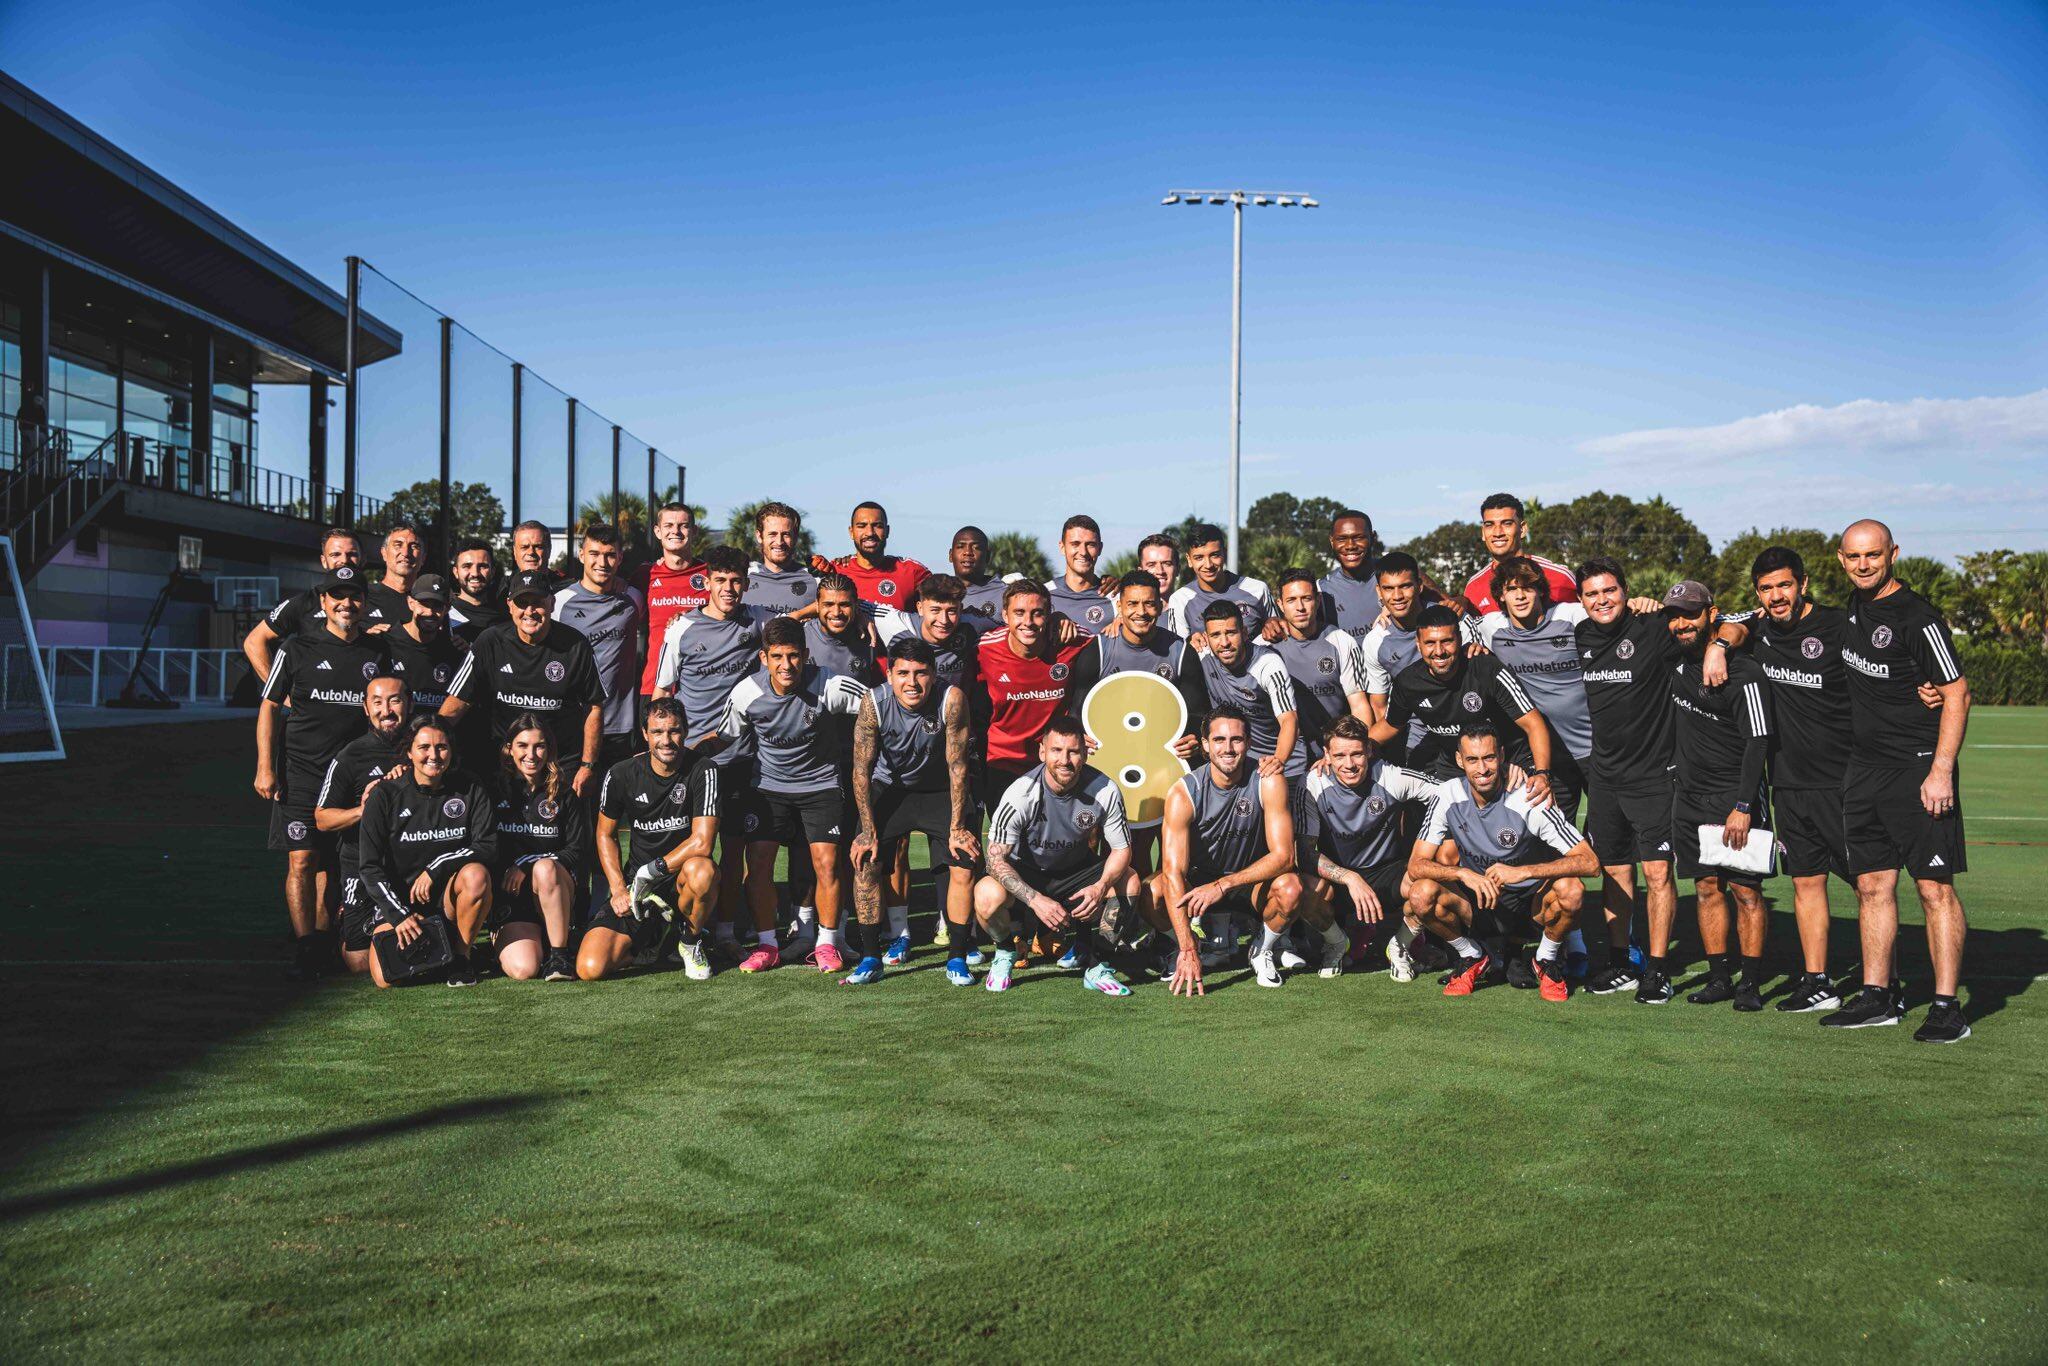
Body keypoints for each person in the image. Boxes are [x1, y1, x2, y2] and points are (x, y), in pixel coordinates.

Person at [1825, 519, 1973, 1042]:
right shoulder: (1849, 609)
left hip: (1917, 769)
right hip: (1864, 771)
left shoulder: (1917, 616)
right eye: (1853, 556)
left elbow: (1956, 692)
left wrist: (1939, 772)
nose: (1863, 564)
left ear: (1893, 554)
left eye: (1873, 555)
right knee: (1871, 886)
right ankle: (1876, 997)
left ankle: (1946, 1006)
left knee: (1934, 889)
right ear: (1841, 560)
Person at [1573, 557, 1746, 1000]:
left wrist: (1719, 646)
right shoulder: (1582, 635)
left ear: (1626, 591)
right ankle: (1619, 963)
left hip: (1654, 778)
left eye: (1609, 591)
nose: (1601, 600)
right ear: (1581, 600)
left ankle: (1658, 969)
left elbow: (1737, 622)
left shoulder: (1653, 626)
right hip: (1605, 779)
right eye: (1592, 594)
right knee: (1615, 874)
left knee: (1657, 875)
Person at [704, 618, 869, 972]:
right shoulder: (747, 691)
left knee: (826, 864)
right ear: (763, 657)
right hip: (768, 788)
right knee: (759, 864)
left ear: (805, 655)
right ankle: (767, 945)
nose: (786, 665)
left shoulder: (830, 685)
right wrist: (683, 756)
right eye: (777, 656)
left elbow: (877, 707)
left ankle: (826, 944)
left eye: (793, 656)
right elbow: (725, 737)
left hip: (821, 785)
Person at [1748, 545, 1868, 1014]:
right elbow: (1720, 624)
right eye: (1766, 588)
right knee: (1806, 882)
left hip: (1842, 782)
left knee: (1867, 886)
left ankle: (1886, 982)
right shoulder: (1756, 628)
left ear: (1802, 584)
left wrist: (1924, 690)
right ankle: (1818, 980)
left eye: (1784, 585)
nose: (1776, 596)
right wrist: (1720, 644)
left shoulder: (1839, 627)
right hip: (1788, 784)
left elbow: (1887, 669)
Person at [255, 563, 389, 980]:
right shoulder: (296, 648)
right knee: (302, 860)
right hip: (302, 772)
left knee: (335, 862)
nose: (347, 603)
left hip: (352, 777)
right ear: (324, 602)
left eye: (354, 596)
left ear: (364, 603)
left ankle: (327, 934)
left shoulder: (377, 652)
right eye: (338, 596)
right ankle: (306, 944)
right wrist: (265, 767)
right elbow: (269, 707)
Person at [1404, 726, 1598, 1002]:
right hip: (1480, 904)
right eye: (1472, 760)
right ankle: (1471, 955)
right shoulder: (1447, 794)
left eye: (1489, 758)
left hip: (1530, 910)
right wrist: (1463, 873)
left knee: (1571, 890)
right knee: (1421, 893)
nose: (1482, 769)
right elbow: (1416, 865)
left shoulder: (1528, 797)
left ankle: (1545, 959)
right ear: (1460, 761)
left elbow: (1590, 863)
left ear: (1502, 756)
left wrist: (1524, 872)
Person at [1154, 706, 1335, 992]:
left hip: (1248, 882)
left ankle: (1261, 948)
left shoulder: (1267, 780)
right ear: (1204, 745)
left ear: (1248, 743)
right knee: (1154, 891)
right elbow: (1173, 873)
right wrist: (1187, 948)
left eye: (1236, 740)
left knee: (1291, 888)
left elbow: (1284, 856)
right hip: (1199, 886)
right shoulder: (1183, 792)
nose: (1228, 748)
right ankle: (1189, 946)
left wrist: (1223, 885)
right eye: (1219, 740)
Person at [652, 544, 775, 956]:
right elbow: (662, 690)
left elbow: (793, 626)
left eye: (737, 581)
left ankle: (723, 932)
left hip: (742, 757)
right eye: (721, 580)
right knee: (689, 849)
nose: (729, 588)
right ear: (706, 582)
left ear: (746, 583)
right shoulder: (681, 628)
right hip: (693, 759)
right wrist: (656, 750)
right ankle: (675, 929)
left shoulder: (757, 621)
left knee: (736, 847)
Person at [1662, 580, 1775, 1010]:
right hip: (1690, 798)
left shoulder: (1744, 672)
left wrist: (1744, 806)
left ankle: (1750, 982)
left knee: (1746, 892)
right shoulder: (1676, 659)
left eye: (1690, 614)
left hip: (1735, 798)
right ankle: (1719, 977)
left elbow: (1759, 741)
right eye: (1674, 615)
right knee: (1707, 888)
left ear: (1713, 613)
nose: (1681, 623)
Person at [977, 716, 1142, 997]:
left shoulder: (1105, 789)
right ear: (1042, 752)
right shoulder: (1020, 793)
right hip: (1027, 872)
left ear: (1085, 753)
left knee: (1130, 881)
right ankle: (1005, 951)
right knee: (985, 895)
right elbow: (995, 861)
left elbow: (1121, 849)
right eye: (1056, 751)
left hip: (1076, 870)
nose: (1064, 760)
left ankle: (1095, 962)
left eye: (1073, 752)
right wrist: (1034, 899)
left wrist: (1100, 886)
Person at [847, 638, 980, 984]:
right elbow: (862, 768)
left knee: (963, 862)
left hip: (939, 788)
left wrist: (956, 827)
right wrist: (867, 830)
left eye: (921, 673)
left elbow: (958, 766)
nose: (912, 682)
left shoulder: (951, 700)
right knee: (866, 860)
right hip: (890, 787)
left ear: (934, 675)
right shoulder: (873, 703)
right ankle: (871, 956)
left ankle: (958, 955)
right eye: (903, 673)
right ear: (889, 675)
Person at [586, 698, 723, 981]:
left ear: (685, 731)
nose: (666, 740)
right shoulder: (621, 774)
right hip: (638, 888)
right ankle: (656, 940)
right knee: (591, 968)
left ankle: (690, 940)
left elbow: (703, 842)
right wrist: (618, 888)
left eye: (674, 731)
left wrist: (652, 871)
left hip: (680, 878)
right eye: (658, 732)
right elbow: (604, 833)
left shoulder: (704, 769)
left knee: (703, 869)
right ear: (645, 734)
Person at [356, 716, 498, 988]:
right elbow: (369, 868)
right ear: (409, 752)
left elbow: (487, 846)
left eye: (442, 747)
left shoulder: (470, 787)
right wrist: (400, 916)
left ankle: (461, 958)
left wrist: (437, 867)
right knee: (386, 979)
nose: (434, 755)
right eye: (424, 748)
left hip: (447, 902)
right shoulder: (384, 795)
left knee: (476, 875)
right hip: (401, 904)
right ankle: (435, 947)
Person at [440, 570, 604, 798]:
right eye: (522, 603)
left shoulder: (576, 646)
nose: (529, 611)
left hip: (559, 765)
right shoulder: (489, 642)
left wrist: (587, 766)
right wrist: (428, 742)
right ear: (509, 606)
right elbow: (458, 701)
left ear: (552, 603)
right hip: (504, 765)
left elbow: (594, 708)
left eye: (537, 602)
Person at [1301, 716, 1440, 981]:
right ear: (1326, 755)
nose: (1350, 764)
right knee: (1302, 888)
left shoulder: (1391, 776)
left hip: (1389, 874)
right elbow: (1305, 854)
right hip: (1341, 878)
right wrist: (1350, 878)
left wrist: (1429, 837)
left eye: (1356, 754)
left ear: (1369, 750)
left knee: (1428, 885)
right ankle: (1337, 942)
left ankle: (1400, 945)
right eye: (1340, 755)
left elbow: (1449, 795)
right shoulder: (1312, 783)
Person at [1372, 604, 1553, 791]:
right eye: (1430, 643)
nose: (1439, 651)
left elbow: (1533, 723)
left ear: (1459, 639)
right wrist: (1353, 748)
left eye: (1447, 641)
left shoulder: (1485, 668)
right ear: (1418, 644)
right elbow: (1390, 726)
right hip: (1455, 767)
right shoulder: (1407, 682)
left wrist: (1541, 774)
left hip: (1510, 763)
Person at [1472, 556, 1594, 820]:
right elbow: (1444, 625)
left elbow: (1612, 614)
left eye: (1527, 587)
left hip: (1593, 747)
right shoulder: (1492, 627)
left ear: (1540, 589)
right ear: (1500, 596)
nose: (1520, 596)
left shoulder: (1569, 615)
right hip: (1546, 757)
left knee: (1609, 841)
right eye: (1511, 589)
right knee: (1557, 840)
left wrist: (1639, 604)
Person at [315, 674, 413, 978]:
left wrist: (412, 778)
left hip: (409, 863)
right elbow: (322, 818)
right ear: (365, 708)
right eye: (378, 702)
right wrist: (364, 810)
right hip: (360, 865)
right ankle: (349, 921)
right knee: (358, 964)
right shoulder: (351, 755)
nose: (387, 710)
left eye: (395, 700)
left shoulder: (424, 746)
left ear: (408, 704)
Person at [1062, 575, 1209, 761]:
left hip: (1160, 756)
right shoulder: (1098, 650)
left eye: (1149, 603)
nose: (1141, 611)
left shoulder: (1180, 652)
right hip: (1108, 754)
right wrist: (1079, 735)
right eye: (1132, 603)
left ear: (1160, 606)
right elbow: (1077, 711)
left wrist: (1193, 738)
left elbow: (1197, 712)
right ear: (1119, 607)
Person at [972, 581, 1089, 811]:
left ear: (1049, 615)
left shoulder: (1072, 641)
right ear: (1005, 615)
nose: (1028, 622)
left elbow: (1115, 648)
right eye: (1019, 613)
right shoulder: (983, 649)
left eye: (1037, 613)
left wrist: (1117, 623)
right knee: (1008, 844)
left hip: (1056, 763)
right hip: (1003, 762)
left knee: (1058, 843)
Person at [493, 715, 587, 982]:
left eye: (539, 746)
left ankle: (559, 955)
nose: (531, 755)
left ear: (549, 750)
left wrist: (526, 863)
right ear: (509, 749)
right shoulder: (494, 790)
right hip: (513, 897)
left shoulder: (565, 792)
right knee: (524, 970)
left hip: (556, 888)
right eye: (523, 746)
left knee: (545, 868)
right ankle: (517, 940)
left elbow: (577, 850)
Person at [553, 522, 647, 777]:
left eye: (609, 555)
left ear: (620, 558)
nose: (602, 562)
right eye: (594, 554)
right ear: (582, 555)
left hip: (620, 726)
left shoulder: (633, 600)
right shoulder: (560, 603)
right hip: (575, 724)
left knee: (615, 811)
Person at [1358, 552, 1467, 735]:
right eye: (1389, 588)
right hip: (1417, 740)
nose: (1397, 596)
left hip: (1466, 734)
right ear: (1379, 591)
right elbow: (1380, 706)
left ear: (1419, 586)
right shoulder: (1375, 641)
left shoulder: (1453, 619)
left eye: (1405, 586)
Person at [1269, 567, 1371, 754]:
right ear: (1280, 605)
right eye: (1291, 600)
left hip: (1333, 753)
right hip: (1284, 754)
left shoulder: (1342, 642)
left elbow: (1359, 705)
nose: (1300, 607)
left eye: (1306, 598)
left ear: (1318, 601)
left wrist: (1355, 750)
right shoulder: (1266, 646)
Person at [242, 527, 361, 681]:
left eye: (352, 554)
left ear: (362, 558)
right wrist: (279, 691)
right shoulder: (305, 602)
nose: (344, 560)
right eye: (335, 554)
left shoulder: (379, 599)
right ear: (324, 561)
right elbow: (254, 641)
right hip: (316, 702)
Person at [633, 502, 709, 698]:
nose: (675, 531)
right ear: (658, 531)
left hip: (701, 690)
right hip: (654, 686)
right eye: (668, 526)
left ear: (694, 531)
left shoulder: (711, 574)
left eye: (683, 525)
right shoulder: (644, 574)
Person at [1462, 493, 1577, 615]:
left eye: (1507, 523)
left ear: (1522, 529)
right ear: (1483, 533)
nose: (1497, 532)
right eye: (1489, 525)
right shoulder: (1473, 588)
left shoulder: (1560, 577)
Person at [1165, 524, 1272, 639]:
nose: (1208, 565)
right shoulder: (1180, 599)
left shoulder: (1257, 589)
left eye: (1214, 555)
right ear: (1189, 560)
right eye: (1199, 558)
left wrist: (1273, 624)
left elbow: (1278, 633)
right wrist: (1190, 645)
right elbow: (1177, 651)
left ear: (1224, 554)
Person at [383, 573, 465, 714]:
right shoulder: (384, 643)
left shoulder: (454, 650)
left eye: (437, 606)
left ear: (447, 608)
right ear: (410, 603)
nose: (429, 612)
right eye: (424, 604)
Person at [832, 500, 929, 606]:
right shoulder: (835, 570)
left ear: (887, 531)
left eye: (877, 526)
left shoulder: (912, 572)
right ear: (851, 532)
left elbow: (944, 603)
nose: (870, 532)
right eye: (862, 526)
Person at [741, 501, 817, 615]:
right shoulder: (741, 578)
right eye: (772, 534)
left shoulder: (815, 580)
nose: (779, 542)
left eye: (786, 534)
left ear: (795, 537)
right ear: (759, 536)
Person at [1045, 514, 1116, 633]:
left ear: (1100, 548)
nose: (1083, 552)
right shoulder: (1043, 594)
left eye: (1091, 545)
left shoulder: (1115, 597)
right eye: (1075, 544)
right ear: (1062, 547)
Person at [946, 525, 1015, 631]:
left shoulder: (1006, 594)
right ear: (951, 555)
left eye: (976, 548)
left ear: (987, 557)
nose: (968, 552)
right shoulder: (938, 592)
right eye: (961, 546)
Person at [365, 523, 423, 630]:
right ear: (384, 553)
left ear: (423, 557)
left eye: (414, 546)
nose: (405, 553)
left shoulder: (431, 602)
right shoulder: (363, 597)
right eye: (398, 545)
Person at [447, 538, 505, 644]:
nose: (475, 573)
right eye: (467, 566)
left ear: (493, 572)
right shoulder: (444, 614)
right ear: (456, 572)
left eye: (482, 566)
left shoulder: (506, 618)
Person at [1137, 533, 1180, 601]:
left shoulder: (1192, 609)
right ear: (1140, 571)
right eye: (1151, 565)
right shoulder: (1121, 609)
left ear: (1178, 569)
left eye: (1167, 564)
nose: (1160, 571)